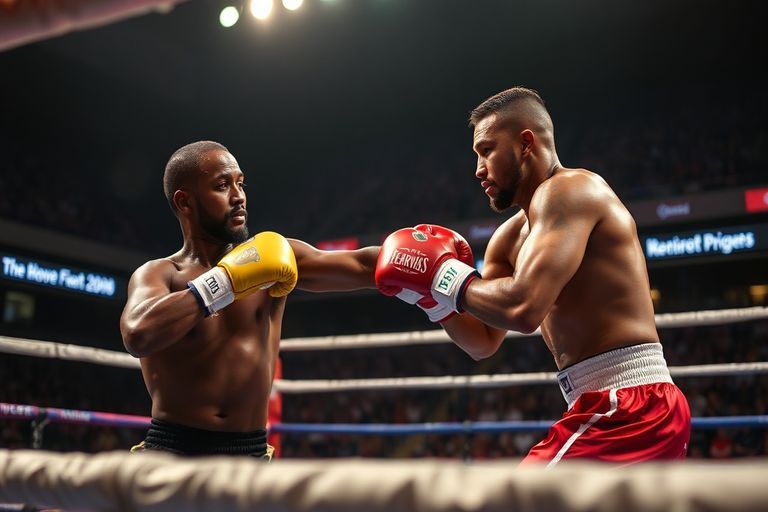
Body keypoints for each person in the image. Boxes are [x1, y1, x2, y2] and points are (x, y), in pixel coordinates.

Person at [375, 87, 691, 466]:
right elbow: (483, 341)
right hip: (604, 404)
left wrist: (442, 276)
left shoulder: (571, 190)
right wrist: (430, 299)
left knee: (514, 500)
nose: (478, 169)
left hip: (628, 404)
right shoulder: (509, 238)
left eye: (487, 150)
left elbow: (523, 307)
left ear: (526, 143)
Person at [120, 140, 378, 458]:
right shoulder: (161, 274)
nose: (238, 196)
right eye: (222, 185)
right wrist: (224, 282)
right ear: (185, 202)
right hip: (172, 453)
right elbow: (137, 333)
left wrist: (429, 262)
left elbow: (362, 266)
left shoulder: (276, 255)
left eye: (240, 183)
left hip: (249, 455)